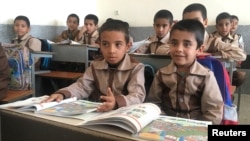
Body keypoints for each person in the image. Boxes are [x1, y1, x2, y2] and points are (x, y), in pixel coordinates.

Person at [43, 19, 146, 112]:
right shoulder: (95, 66)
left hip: (123, 113)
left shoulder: (136, 67)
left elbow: (137, 95)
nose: (111, 51)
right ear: (99, 45)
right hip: (99, 111)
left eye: (118, 44)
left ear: (128, 46)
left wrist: (116, 102)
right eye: (105, 44)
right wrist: (63, 93)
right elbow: (82, 87)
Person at [146, 19, 224, 124]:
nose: (179, 49)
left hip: (196, 128)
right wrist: (164, 121)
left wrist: (197, 129)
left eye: (187, 44)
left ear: (199, 50)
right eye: (174, 43)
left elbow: (213, 112)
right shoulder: (161, 74)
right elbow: (153, 104)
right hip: (165, 125)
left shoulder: (206, 76)